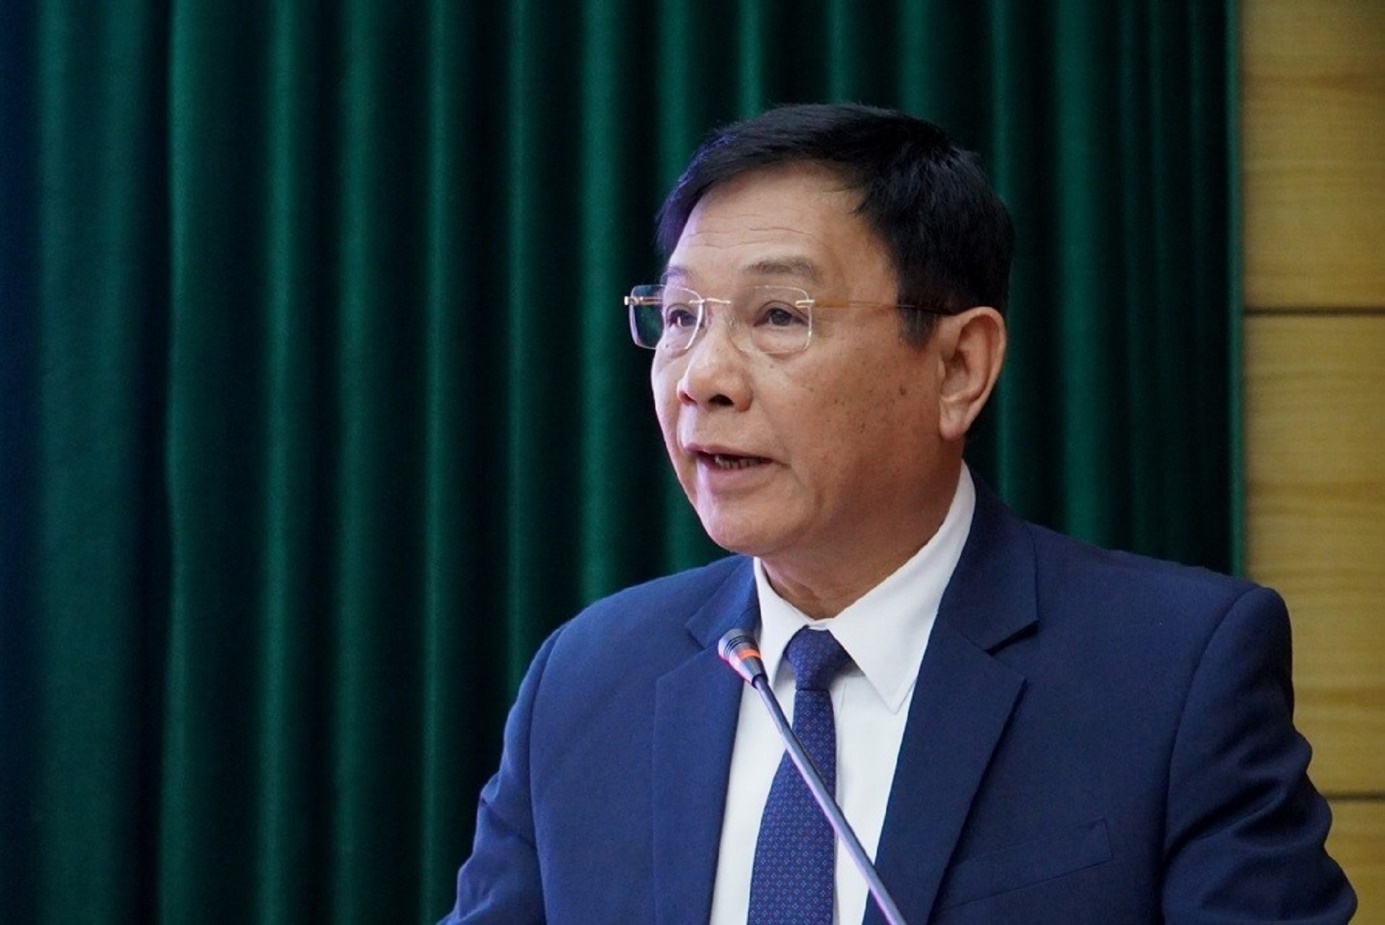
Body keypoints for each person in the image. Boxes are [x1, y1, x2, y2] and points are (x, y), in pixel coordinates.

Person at [440, 103, 1355, 923]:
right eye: (679, 317)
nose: (701, 378)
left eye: (778, 315)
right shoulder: (587, 681)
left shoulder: (1170, 674)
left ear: (959, 367)